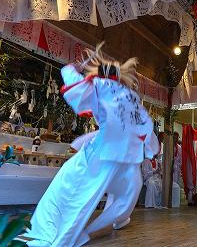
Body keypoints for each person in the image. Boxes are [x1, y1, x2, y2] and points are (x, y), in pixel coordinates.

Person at [24, 42, 159, 247]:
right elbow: (147, 132)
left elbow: (76, 88)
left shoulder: (100, 87)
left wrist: (71, 69)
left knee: (73, 193)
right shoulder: (132, 100)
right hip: (128, 164)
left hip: (102, 155)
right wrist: (150, 152)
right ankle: (115, 221)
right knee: (121, 198)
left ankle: (57, 237)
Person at [172, 132, 182, 208]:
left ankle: (175, 201)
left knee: (177, 183)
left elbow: (181, 159)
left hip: (177, 167)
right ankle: (170, 200)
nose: (175, 139)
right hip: (171, 167)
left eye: (176, 137)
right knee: (172, 183)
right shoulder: (169, 146)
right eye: (174, 137)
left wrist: (180, 168)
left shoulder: (179, 147)